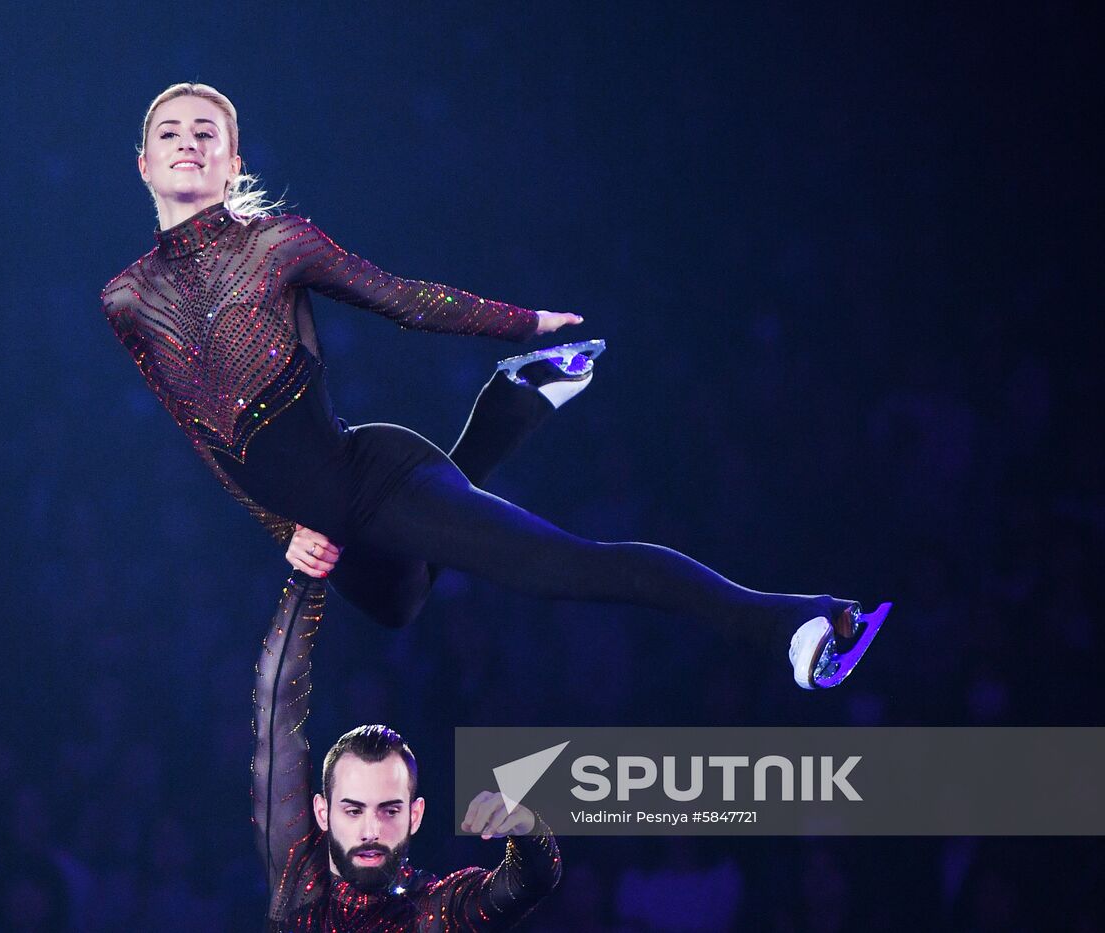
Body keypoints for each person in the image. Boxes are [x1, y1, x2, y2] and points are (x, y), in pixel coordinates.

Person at [101, 81, 889, 689]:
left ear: (234, 161)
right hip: (319, 521)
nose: (189, 143)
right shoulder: (126, 300)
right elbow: (195, 426)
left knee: (567, 568)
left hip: (369, 477)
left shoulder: (275, 244)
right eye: (170, 133)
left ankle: (797, 625)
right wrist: (281, 528)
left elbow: (401, 297)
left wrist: (528, 321)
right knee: (401, 604)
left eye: (208, 133)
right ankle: (510, 407)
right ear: (142, 163)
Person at [251, 572, 562, 929]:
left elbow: (532, 883)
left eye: (389, 810)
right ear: (323, 812)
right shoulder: (297, 883)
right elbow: (276, 712)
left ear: (415, 814)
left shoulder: (435, 910)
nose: (371, 831)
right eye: (353, 811)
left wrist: (527, 829)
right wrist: (307, 578)